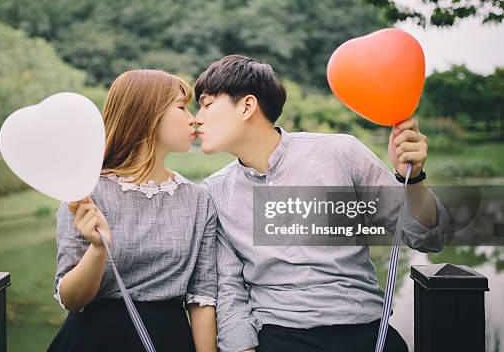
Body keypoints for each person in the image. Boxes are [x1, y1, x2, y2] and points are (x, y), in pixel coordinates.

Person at [192, 55, 449, 352]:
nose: (197, 117)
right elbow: (229, 289)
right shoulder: (215, 191)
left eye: (207, 104)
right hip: (280, 337)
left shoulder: (341, 153)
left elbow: (428, 239)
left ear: (247, 106)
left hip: (367, 331)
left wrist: (414, 180)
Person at [47, 70, 217, 352]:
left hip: (169, 340)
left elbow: (202, 297)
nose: (193, 118)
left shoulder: (198, 199)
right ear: (147, 114)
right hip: (91, 343)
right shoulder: (87, 192)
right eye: (181, 106)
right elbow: (71, 299)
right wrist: (98, 250)